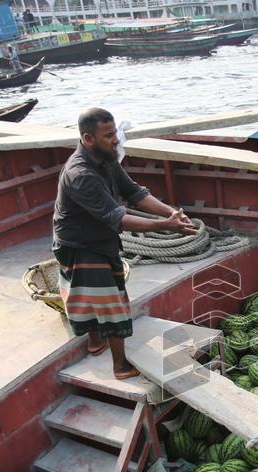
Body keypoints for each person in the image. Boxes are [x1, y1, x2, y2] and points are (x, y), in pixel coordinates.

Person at [53, 108, 199, 379]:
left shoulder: (105, 158)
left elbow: (133, 192)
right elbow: (117, 217)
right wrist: (165, 226)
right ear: (88, 138)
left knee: (89, 297)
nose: (116, 140)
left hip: (97, 236)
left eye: (114, 133)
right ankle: (120, 366)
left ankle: (96, 344)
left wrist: (169, 212)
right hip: (80, 243)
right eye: (108, 136)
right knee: (111, 304)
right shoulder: (80, 174)